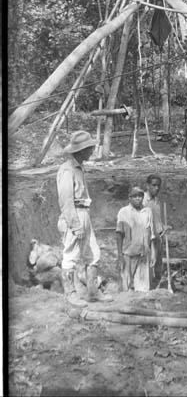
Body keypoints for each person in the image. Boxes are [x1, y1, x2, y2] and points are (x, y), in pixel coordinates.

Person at [57, 130, 112, 306]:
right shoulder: (67, 170)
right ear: (81, 150)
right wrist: (75, 225)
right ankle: (70, 294)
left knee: (93, 253)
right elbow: (66, 201)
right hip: (74, 216)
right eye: (89, 148)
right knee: (70, 256)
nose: (91, 150)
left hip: (84, 213)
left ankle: (93, 293)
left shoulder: (79, 167)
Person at [116, 187, 156, 292]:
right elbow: (119, 234)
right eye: (135, 196)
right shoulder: (123, 212)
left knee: (143, 288)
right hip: (129, 253)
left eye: (140, 196)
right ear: (130, 198)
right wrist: (120, 255)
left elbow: (151, 233)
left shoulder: (147, 211)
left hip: (143, 253)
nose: (138, 198)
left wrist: (153, 253)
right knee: (126, 286)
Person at [143, 174, 170, 287]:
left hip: (158, 235)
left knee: (158, 262)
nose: (157, 188)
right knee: (149, 262)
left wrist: (163, 227)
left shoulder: (157, 201)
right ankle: (147, 286)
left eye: (158, 186)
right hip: (148, 236)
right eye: (154, 185)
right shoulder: (143, 200)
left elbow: (157, 219)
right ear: (147, 185)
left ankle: (157, 286)